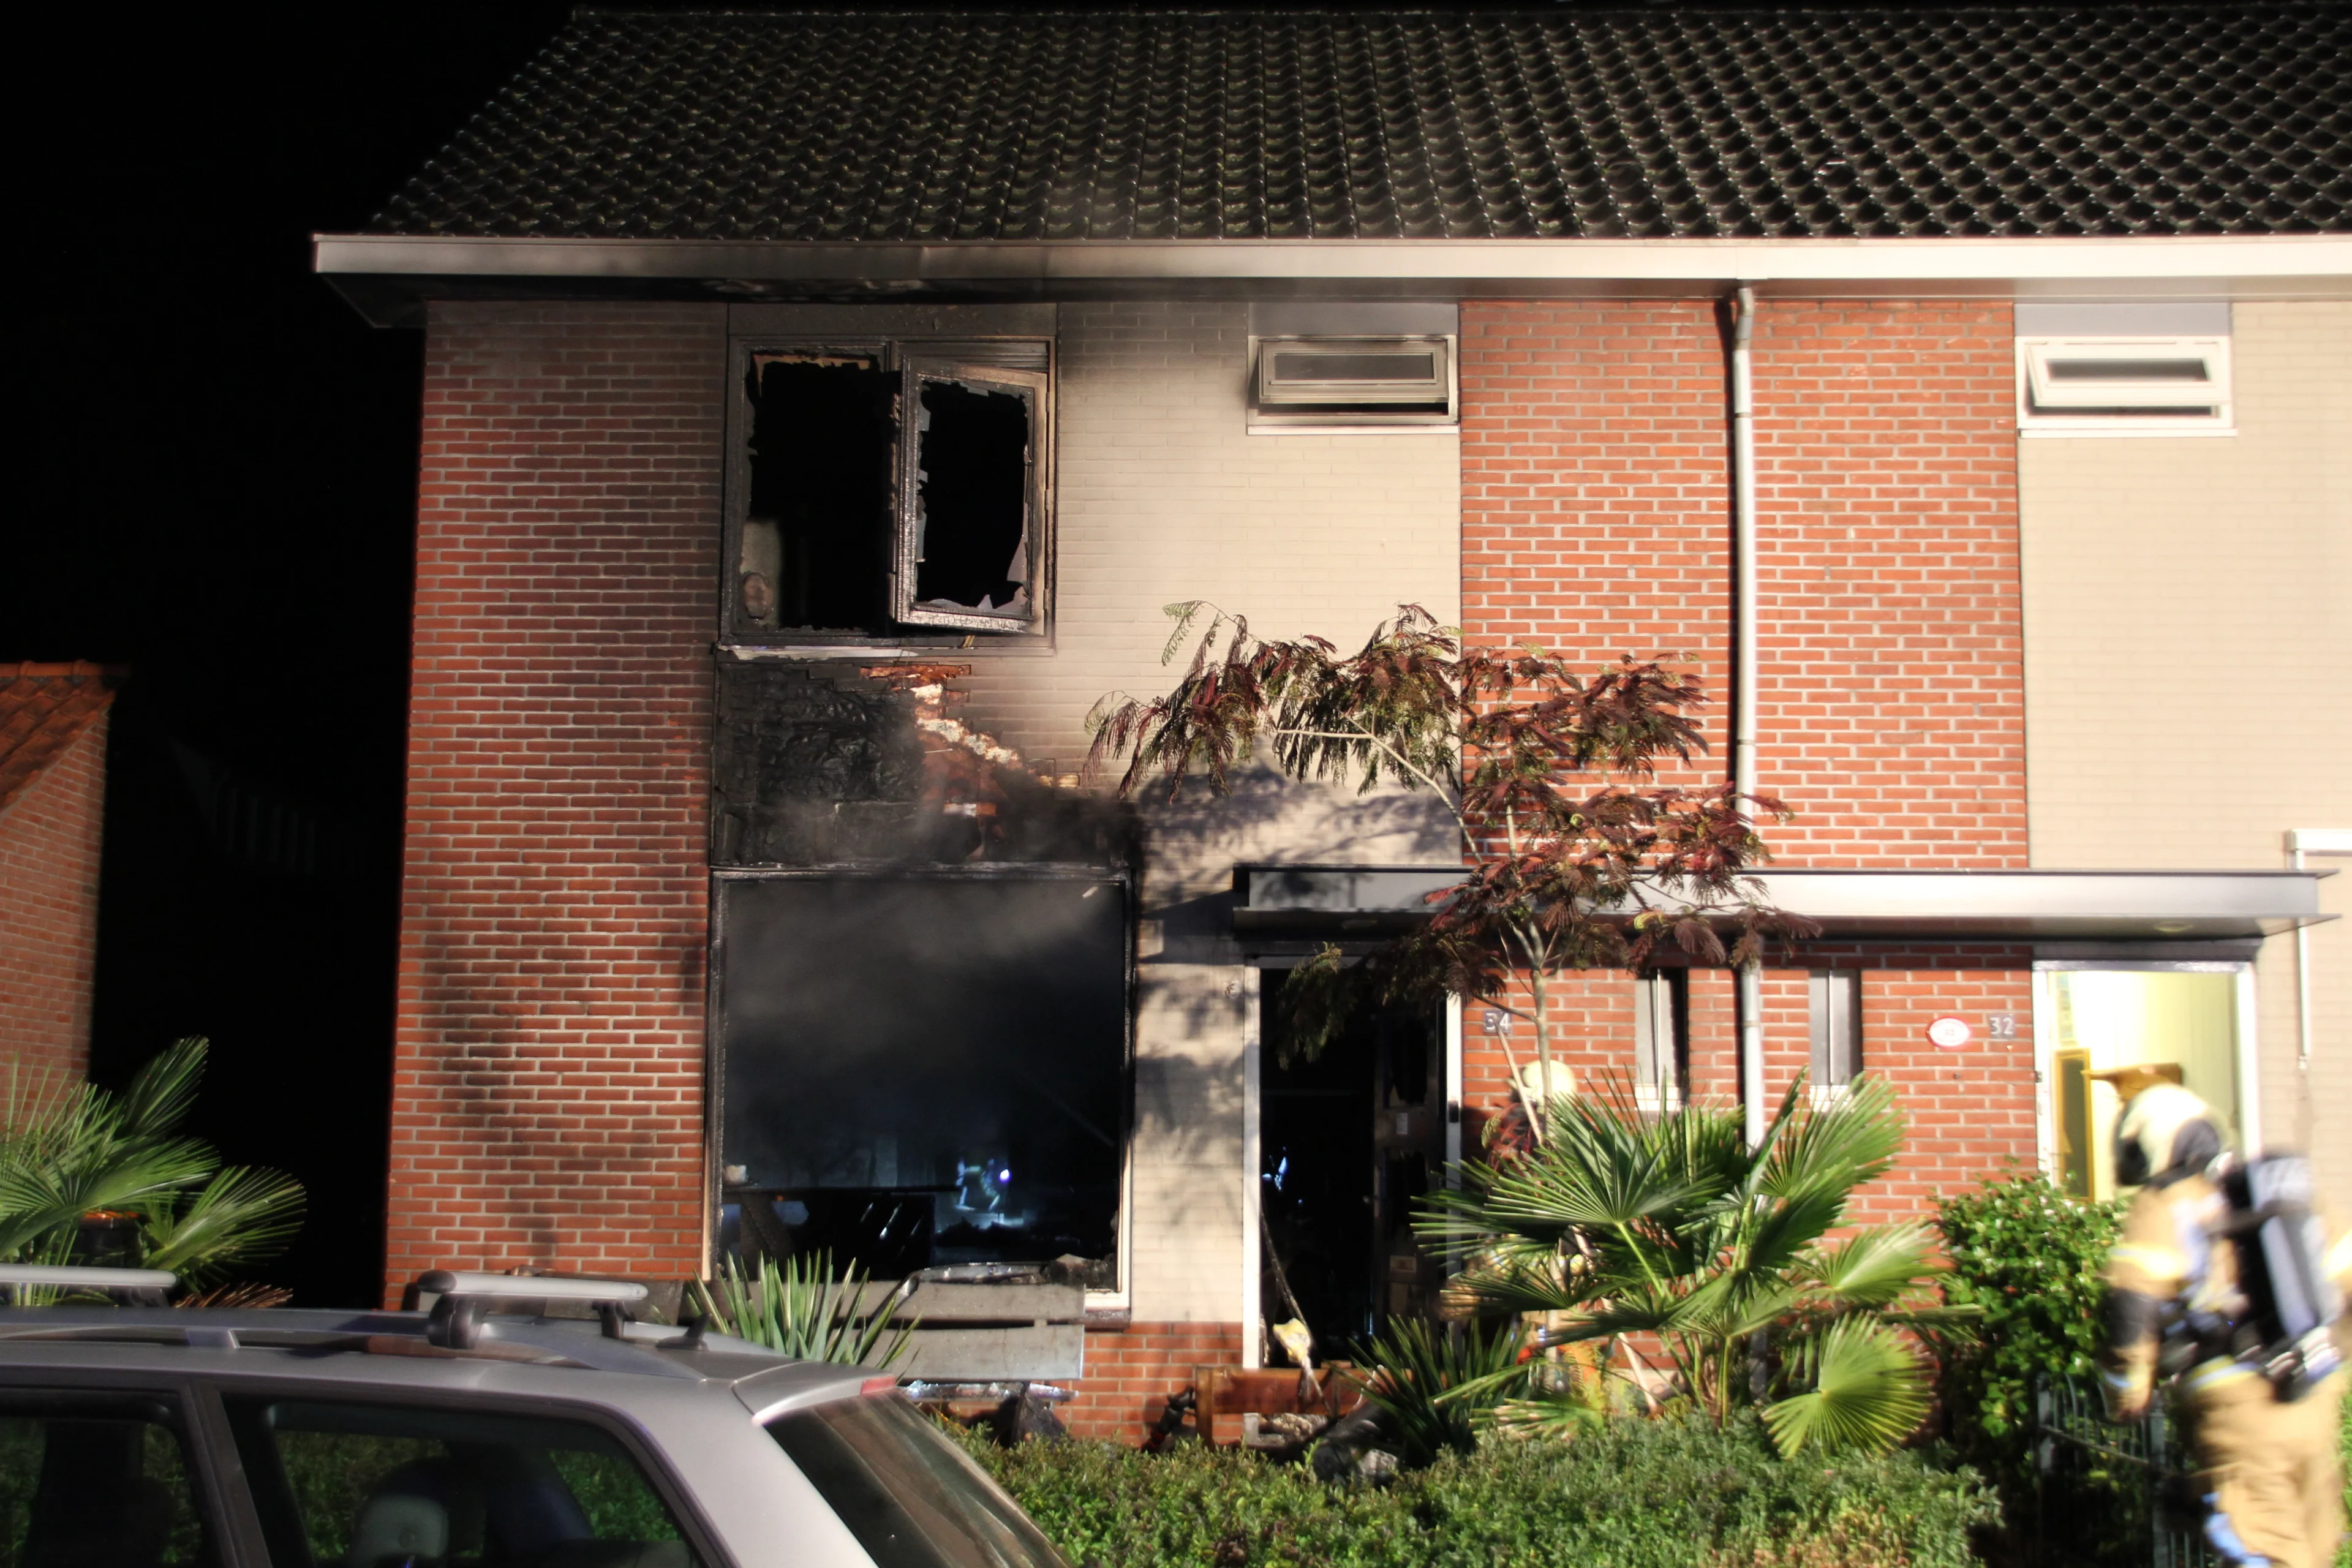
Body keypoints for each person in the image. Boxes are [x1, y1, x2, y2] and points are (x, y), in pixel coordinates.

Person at [2097, 1079, 2351, 1568]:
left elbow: (2130, 1305)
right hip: (2316, 1401)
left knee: (2264, 1548)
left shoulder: (2167, 1204)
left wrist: (2124, 1391)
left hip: (2238, 1409)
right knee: (2313, 1550)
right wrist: (2327, 1360)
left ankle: (2209, 1506)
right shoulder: (2288, 1193)